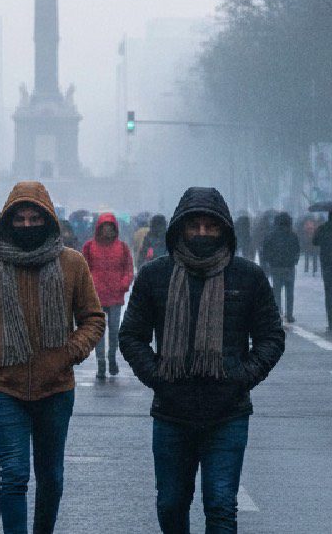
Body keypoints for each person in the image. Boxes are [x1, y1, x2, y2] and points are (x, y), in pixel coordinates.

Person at [120, 187, 285, 534]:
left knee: (221, 505)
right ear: (180, 228)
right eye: (194, 226)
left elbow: (271, 337)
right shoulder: (154, 276)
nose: (202, 234)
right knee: (170, 504)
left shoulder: (248, 277)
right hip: (171, 410)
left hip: (228, 411)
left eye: (210, 227)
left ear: (224, 229)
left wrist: (242, 375)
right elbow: (132, 335)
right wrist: (157, 375)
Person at [0, 181, 105, 534]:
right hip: (5, 387)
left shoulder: (72, 263)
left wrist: (70, 351)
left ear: (48, 219)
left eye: (34, 217)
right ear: (8, 221)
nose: (26, 224)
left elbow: (93, 318)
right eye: (19, 218)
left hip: (56, 388)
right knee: (14, 475)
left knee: (50, 476)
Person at [80, 212, 134, 379]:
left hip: (115, 296)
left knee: (114, 330)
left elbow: (128, 268)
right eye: (104, 228)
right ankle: (101, 361)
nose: (107, 231)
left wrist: (124, 284)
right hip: (96, 296)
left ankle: (111, 357)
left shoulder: (122, 247)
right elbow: (83, 268)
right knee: (99, 331)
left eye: (110, 228)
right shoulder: (89, 247)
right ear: (99, 229)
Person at [260, 212, 300, 324]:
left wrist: (269, 262)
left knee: (277, 291)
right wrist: (294, 261)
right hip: (289, 267)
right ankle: (289, 314)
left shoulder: (271, 235)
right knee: (289, 292)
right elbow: (297, 249)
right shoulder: (292, 235)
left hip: (276, 267)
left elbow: (265, 250)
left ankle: (278, 314)